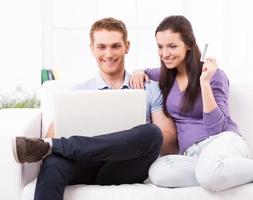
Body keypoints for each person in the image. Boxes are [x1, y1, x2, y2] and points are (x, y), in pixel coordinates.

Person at [12, 17, 178, 200]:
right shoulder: (77, 93)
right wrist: (52, 141)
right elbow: (52, 133)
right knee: (53, 160)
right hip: (84, 165)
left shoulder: (148, 88)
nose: (109, 54)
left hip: (124, 166)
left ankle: (55, 147)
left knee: (153, 133)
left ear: (127, 47)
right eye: (101, 47)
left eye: (115, 46)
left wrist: (131, 138)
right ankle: (55, 147)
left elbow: (168, 142)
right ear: (92, 48)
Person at [130, 15, 253, 192]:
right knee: (158, 172)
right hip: (192, 155)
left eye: (172, 46)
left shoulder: (215, 76)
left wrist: (204, 82)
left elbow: (216, 127)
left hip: (222, 141)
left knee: (209, 176)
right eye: (160, 46)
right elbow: (143, 72)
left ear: (188, 44)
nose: (165, 53)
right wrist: (137, 72)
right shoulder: (164, 75)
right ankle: (227, 171)